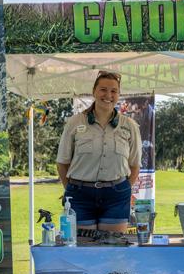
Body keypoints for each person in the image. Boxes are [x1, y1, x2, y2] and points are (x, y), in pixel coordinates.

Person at [57, 71, 142, 233]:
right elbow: (62, 163)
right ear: (94, 91)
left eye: (114, 91)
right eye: (103, 89)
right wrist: (73, 190)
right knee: (83, 246)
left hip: (116, 196)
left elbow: (135, 165)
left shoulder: (129, 126)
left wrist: (123, 189)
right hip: (80, 195)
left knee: (113, 247)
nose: (108, 95)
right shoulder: (75, 122)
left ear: (118, 94)